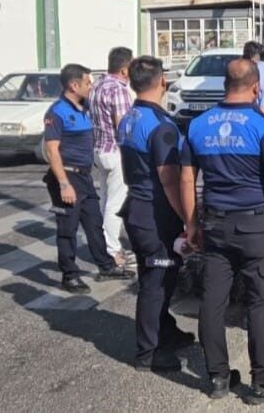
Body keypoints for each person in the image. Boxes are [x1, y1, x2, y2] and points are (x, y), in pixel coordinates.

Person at [180, 58, 264, 403]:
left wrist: (191, 223)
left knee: (212, 301)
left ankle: (218, 377)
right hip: (254, 226)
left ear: (225, 84)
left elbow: (188, 177)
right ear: (255, 87)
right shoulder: (262, 126)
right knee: (262, 302)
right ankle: (262, 381)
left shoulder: (197, 125)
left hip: (215, 225)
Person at [117, 56, 194, 372]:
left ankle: (165, 330)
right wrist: (190, 220)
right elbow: (170, 180)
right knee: (155, 282)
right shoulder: (161, 128)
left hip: (136, 206)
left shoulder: (130, 117)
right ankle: (148, 352)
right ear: (163, 81)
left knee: (160, 276)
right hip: (155, 214)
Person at [43, 64, 134, 294]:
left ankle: (106, 266)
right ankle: (69, 275)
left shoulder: (84, 108)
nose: (91, 86)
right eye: (87, 83)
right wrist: (64, 184)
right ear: (74, 85)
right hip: (67, 176)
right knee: (68, 229)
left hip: (84, 177)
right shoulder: (57, 112)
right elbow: (52, 151)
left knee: (94, 223)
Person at [89, 47, 135, 268]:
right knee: (115, 204)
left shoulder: (97, 84)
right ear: (125, 69)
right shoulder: (118, 89)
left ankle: (104, 245)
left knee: (106, 201)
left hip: (99, 149)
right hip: (116, 151)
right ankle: (112, 250)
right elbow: (123, 125)